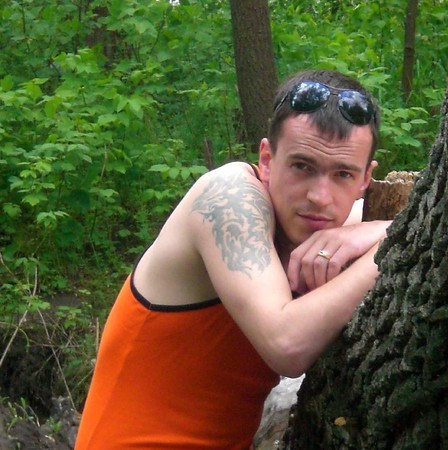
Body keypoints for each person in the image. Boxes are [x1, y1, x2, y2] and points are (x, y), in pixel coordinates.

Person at [75, 69, 392, 449]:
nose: (319, 197)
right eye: (302, 166)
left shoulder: (324, 226)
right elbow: (286, 344)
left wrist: (382, 229)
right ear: (267, 159)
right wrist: (392, 245)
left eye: (342, 174)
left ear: (365, 180)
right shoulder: (228, 198)